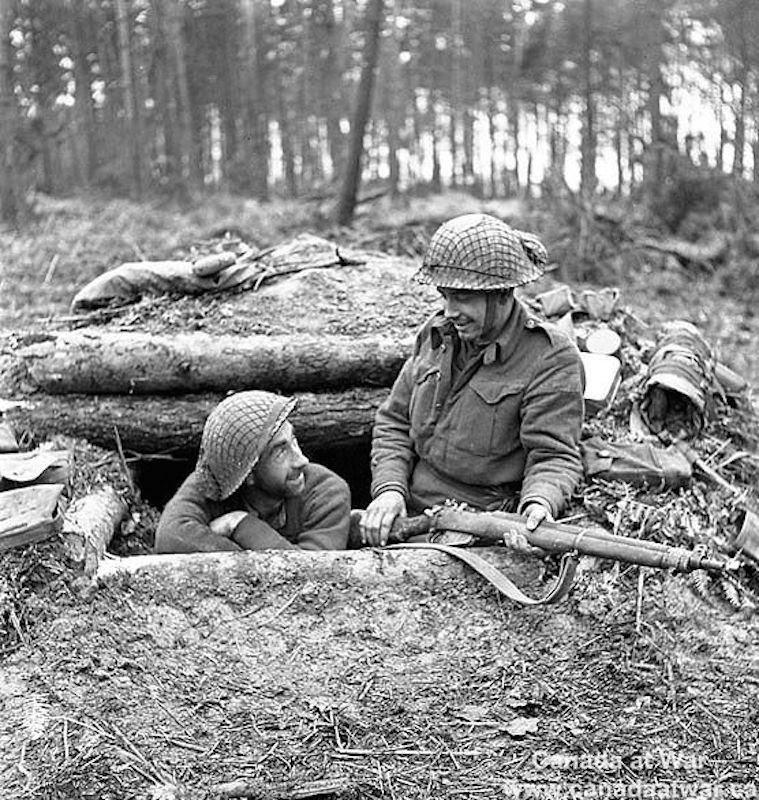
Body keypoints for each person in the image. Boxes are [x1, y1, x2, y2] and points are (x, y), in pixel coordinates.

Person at [360, 213, 585, 546]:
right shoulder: (436, 335)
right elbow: (394, 421)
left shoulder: (549, 358)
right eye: (446, 296)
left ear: (503, 295)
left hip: (477, 519)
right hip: (408, 502)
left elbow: (554, 456)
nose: (450, 311)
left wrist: (539, 503)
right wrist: (389, 489)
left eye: (463, 298)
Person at [155, 390, 350, 553]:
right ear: (248, 474)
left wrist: (240, 524)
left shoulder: (326, 491)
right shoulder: (217, 480)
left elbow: (313, 575)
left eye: (294, 440)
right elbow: (170, 536)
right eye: (280, 452)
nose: (301, 460)